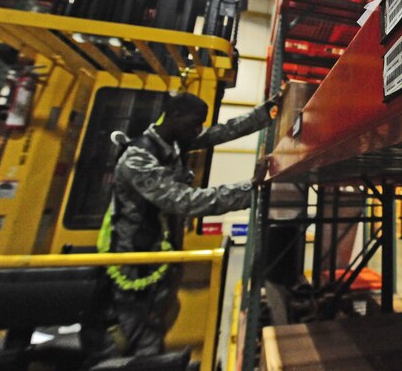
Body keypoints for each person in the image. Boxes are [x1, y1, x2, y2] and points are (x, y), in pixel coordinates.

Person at [83, 91, 280, 362]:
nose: (198, 130)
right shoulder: (138, 160)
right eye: (194, 123)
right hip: (132, 265)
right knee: (125, 336)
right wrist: (251, 190)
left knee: (153, 327)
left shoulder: (173, 142)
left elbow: (221, 132)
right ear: (175, 116)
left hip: (158, 258)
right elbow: (184, 201)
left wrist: (267, 112)